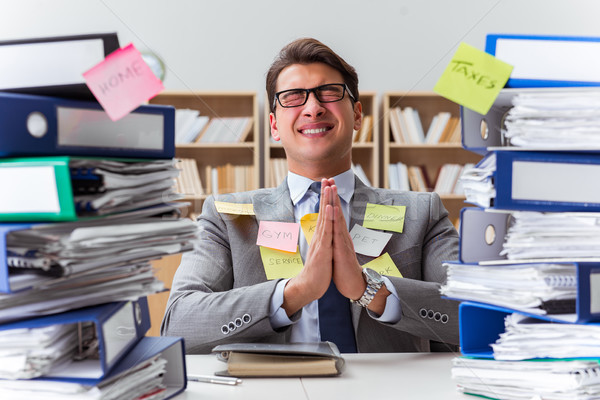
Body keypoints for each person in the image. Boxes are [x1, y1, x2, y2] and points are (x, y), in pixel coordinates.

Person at [161, 37, 460, 354]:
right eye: (293, 97)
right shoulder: (227, 217)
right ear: (274, 126)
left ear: (357, 115)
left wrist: (368, 289)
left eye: (329, 93)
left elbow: (480, 318)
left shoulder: (423, 213)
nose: (313, 108)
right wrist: (294, 293)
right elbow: (179, 323)